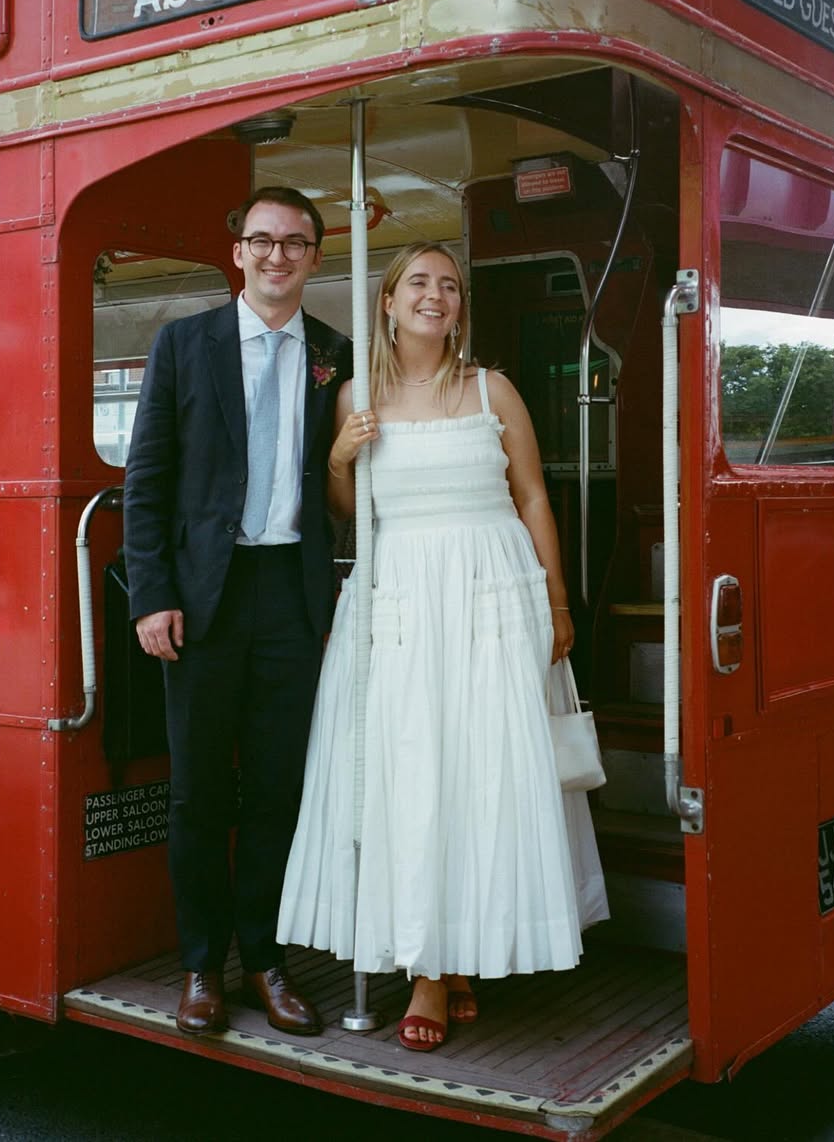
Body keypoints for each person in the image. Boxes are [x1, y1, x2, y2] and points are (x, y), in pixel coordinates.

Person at [277, 242, 608, 1050]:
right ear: (386, 302)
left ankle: (456, 954)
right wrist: (337, 458)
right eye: (419, 283)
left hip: (491, 595)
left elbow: (532, 495)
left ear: (460, 307)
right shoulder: (357, 396)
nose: (436, 296)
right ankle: (432, 966)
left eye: (450, 286)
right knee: (414, 777)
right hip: (399, 603)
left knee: (478, 773)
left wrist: (557, 600)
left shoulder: (491, 388)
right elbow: (351, 509)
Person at [124, 186, 351, 1038]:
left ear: (316, 257)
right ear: (238, 253)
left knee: (277, 790)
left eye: (294, 243)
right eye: (262, 241)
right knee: (197, 796)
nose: (276, 256)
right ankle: (198, 968)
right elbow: (145, 483)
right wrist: (153, 596)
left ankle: (264, 960)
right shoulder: (185, 345)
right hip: (202, 601)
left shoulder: (336, 351)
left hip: (292, 599)